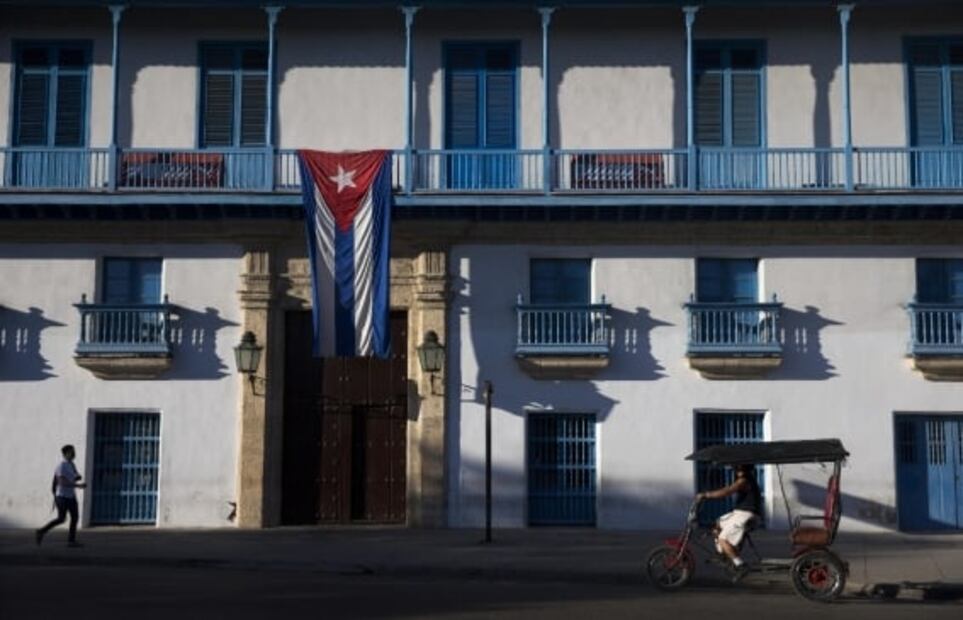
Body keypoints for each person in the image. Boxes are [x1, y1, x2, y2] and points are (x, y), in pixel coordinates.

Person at [696, 463, 761, 578]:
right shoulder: (743, 479)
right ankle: (722, 553)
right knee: (718, 523)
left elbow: (727, 491)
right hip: (739, 512)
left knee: (723, 539)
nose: (738, 470)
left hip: (747, 514)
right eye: (737, 468)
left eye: (740, 468)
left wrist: (706, 495)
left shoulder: (744, 481)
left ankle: (740, 565)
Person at [36, 444, 86, 547]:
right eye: (72, 452)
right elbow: (61, 482)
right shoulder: (61, 466)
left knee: (75, 518)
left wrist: (77, 477)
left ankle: (71, 541)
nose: (74, 454)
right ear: (66, 454)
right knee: (61, 518)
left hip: (71, 496)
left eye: (74, 451)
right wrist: (78, 485)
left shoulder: (72, 464)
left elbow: (75, 476)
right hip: (62, 497)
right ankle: (41, 531)